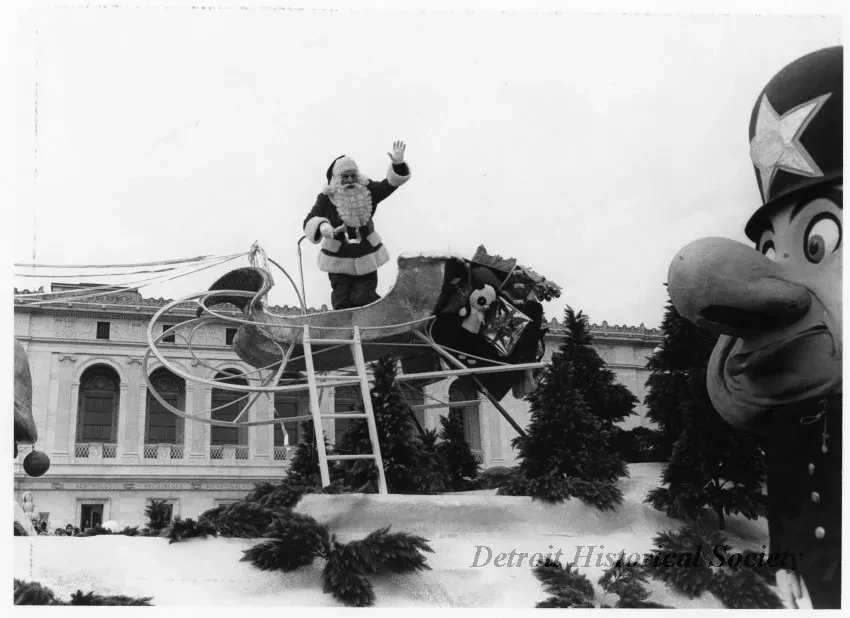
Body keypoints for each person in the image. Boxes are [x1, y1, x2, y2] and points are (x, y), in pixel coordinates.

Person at [667, 46, 842, 609]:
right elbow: (795, 489)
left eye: (818, 242)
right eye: (769, 248)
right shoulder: (801, 406)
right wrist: (789, 560)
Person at [303, 140, 411, 310]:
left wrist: (398, 164)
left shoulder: (367, 190)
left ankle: (370, 326)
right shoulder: (326, 198)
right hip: (338, 255)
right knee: (341, 297)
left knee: (365, 296)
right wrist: (322, 225)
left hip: (365, 252)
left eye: (353, 175)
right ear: (336, 179)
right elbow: (310, 219)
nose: (350, 180)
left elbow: (388, 185)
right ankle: (344, 329)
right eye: (345, 176)